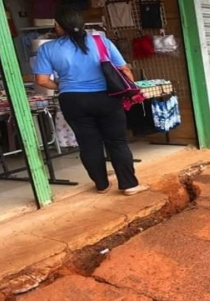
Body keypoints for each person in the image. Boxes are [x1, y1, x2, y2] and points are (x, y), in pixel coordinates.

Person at [34, 7, 148, 196]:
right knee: (117, 142)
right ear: (82, 24)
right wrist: (131, 90)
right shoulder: (101, 41)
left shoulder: (47, 48)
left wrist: (63, 86)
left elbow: (42, 80)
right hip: (107, 97)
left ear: (58, 26)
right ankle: (129, 185)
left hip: (72, 100)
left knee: (88, 143)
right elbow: (124, 69)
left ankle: (102, 185)